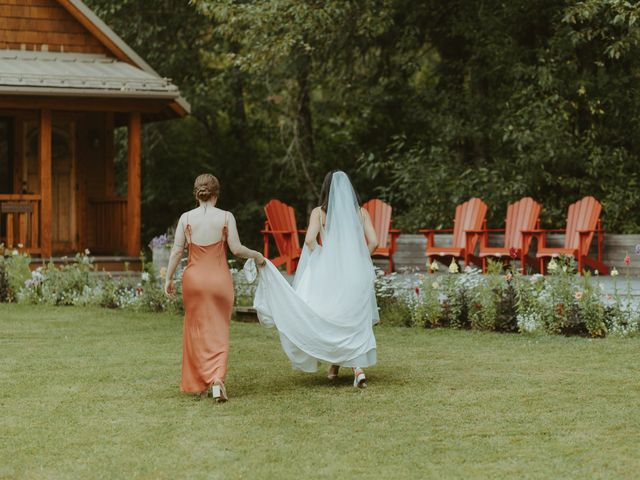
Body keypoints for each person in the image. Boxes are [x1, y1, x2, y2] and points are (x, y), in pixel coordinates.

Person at [254, 170, 379, 388]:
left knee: (331, 316)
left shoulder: (319, 214)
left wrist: (323, 257)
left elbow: (310, 240)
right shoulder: (361, 213)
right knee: (352, 316)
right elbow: (374, 242)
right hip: (355, 272)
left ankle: (342, 366)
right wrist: (359, 259)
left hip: (330, 271)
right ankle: (353, 368)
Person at [164, 173, 265, 402]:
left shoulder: (186, 218)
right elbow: (237, 249)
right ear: (216, 195)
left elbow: (176, 251)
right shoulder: (226, 217)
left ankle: (200, 381)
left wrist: (168, 279)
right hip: (219, 280)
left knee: (196, 330)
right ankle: (217, 379)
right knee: (219, 330)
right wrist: (257, 255)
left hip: (194, 281)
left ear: (197, 194)